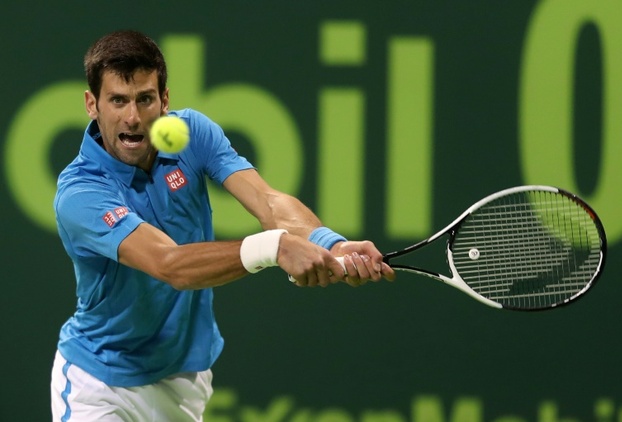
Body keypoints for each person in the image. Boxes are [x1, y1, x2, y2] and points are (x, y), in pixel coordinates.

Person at [50, 30, 395, 421]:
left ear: (164, 100)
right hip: (100, 383)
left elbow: (267, 202)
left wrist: (329, 243)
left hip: (184, 379)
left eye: (145, 99)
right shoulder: (81, 192)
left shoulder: (193, 134)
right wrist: (274, 248)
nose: (132, 117)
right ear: (91, 104)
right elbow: (170, 264)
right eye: (118, 101)